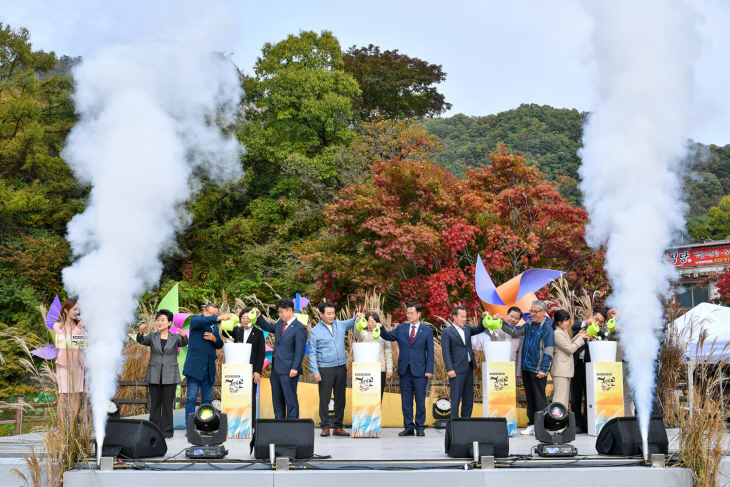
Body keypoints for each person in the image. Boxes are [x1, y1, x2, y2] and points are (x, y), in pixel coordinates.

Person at [377, 302, 434, 437]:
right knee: (406, 401)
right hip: (405, 370)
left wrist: (429, 369)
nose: (409, 315)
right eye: (407, 313)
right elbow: (388, 336)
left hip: (420, 371)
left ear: (419, 314)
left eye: (412, 313)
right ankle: (408, 427)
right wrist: (381, 328)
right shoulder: (401, 328)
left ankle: (420, 427)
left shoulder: (427, 331)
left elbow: (430, 352)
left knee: (420, 401)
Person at [498, 300, 554, 435]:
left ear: (543, 312)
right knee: (530, 398)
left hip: (538, 369)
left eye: (535, 312)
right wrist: (501, 322)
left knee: (539, 399)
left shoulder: (547, 328)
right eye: (531, 311)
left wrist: (543, 369)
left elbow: (549, 350)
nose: (532, 314)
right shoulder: (528, 326)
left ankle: (541, 426)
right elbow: (513, 331)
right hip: (526, 368)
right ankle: (532, 424)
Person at [309, 303, 363, 437]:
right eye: (328, 313)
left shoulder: (340, 324)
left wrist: (357, 316)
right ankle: (325, 427)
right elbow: (311, 353)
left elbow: (350, 323)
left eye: (333, 313)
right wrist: (315, 371)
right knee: (325, 398)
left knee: (340, 398)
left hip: (341, 367)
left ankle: (338, 427)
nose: (331, 316)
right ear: (321, 314)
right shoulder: (315, 331)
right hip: (325, 368)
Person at [137, 309, 188, 438]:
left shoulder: (175, 337)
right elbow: (141, 341)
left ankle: (167, 432)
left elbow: (184, 343)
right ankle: (153, 430)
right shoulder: (152, 336)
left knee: (167, 404)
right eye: (158, 320)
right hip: (154, 373)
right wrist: (141, 332)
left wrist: (183, 336)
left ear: (170, 322)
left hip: (170, 374)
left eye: (163, 320)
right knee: (154, 404)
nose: (159, 322)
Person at [254, 298, 307, 419]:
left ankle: (292, 425)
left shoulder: (299, 328)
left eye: (281, 311)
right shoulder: (280, 324)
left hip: (289, 370)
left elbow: (300, 350)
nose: (280, 314)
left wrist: (295, 368)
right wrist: (258, 316)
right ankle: (279, 423)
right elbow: (267, 326)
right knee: (277, 399)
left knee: (290, 399)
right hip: (276, 369)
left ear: (289, 310)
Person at [182, 303, 230, 426]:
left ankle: (204, 424)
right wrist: (219, 318)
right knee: (191, 398)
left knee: (207, 400)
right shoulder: (196, 320)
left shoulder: (214, 327)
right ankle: (190, 426)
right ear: (205, 311)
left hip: (209, 367)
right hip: (195, 366)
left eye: (216, 314)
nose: (214, 316)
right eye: (212, 314)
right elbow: (201, 321)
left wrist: (215, 339)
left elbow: (219, 344)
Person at [441, 306, 486, 418]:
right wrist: (449, 369)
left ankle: (466, 422)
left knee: (468, 398)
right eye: (462, 316)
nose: (464, 319)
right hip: (456, 369)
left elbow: (480, 329)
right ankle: (455, 425)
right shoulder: (447, 332)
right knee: (455, 399)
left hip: (469, 367)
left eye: (465, 317)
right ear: (454, 317)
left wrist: (483, 318)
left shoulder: (467, 328)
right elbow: (446, 352)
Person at [224, 306, 266, 423]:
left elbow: (261, 354)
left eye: (248, 317)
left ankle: (250, 423)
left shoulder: (258, 333)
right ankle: (234, 421)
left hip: (251, 370)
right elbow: (224, 332)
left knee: (250, 397)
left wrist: (257, 371)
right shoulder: (237, 330)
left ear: (252, 318)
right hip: (236, 370)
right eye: (243, 317)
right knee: (236, 395)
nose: (245, 319)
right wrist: (228, 320)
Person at [571, 309, 608, 433]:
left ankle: (588, 422)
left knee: (589, 396)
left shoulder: (601, 335)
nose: (597, 323)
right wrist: (587, 323)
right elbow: (573, 327)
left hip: (590, 368)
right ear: (591, 316)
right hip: (577, 366)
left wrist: (595, 341)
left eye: (601, 322)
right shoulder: (579, 327)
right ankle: (577, 423)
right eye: (596, 319)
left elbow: (601, 350)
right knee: (575, 396)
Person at [54, 298, 87, 417]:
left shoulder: (78, 326)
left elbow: (85, 342)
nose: (77, 312)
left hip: (78, 364)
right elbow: (66, 342)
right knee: (64, 394)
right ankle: (62, 428)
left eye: (78, 309)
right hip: (64, 364)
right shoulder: (58, 326)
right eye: (75, 309)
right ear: (67, 310)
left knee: (77, 394)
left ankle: (72, 424)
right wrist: (78, 329)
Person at [550, 309, 589, 409]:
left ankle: (561, 421)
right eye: (566, 320)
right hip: (560, 370)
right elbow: (570, 349)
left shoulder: (562, 331)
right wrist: (581, 338)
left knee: (564, 399)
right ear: (559, 322)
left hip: (564, 370)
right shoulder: (557, 333)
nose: (568, 323)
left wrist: (578, 336)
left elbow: (569, 343)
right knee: (559, 399)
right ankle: (557, 421)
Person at [353, 311, 393, 399]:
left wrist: (389, 369)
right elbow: (356, 332)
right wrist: (357, 322)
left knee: (378, 397)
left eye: (373, 321)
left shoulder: (383, 335)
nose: (370, 324)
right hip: (366, 370)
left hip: (380, 370)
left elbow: (388, 353)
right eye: (368, 321)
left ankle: (376, 413)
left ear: (377, 322)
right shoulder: (364, 334)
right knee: (366, 396)